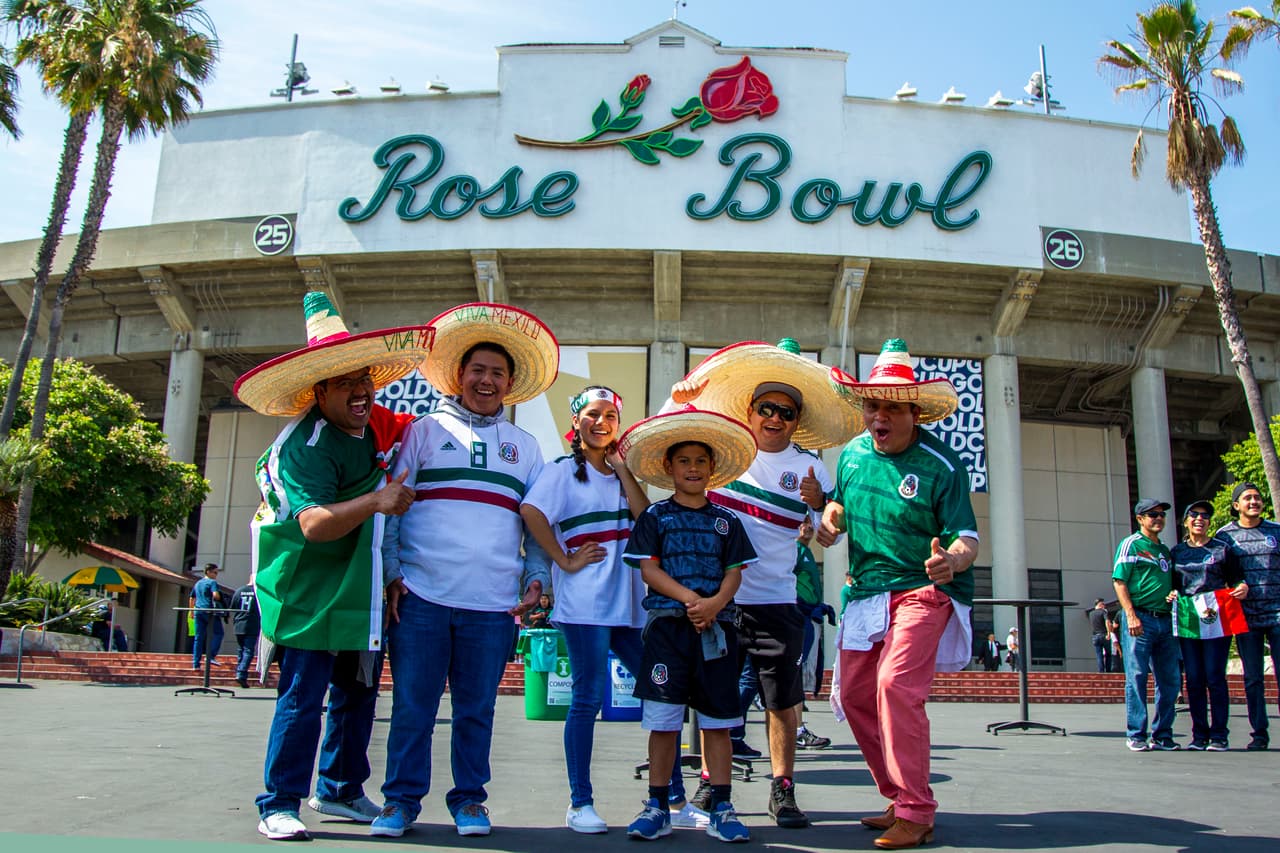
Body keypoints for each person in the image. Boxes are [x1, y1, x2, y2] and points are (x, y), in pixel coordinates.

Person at [233, 291, 429, 841]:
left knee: (359, 691)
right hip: (308, 588)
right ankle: (278, 801)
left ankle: (340, 788)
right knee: (302, 697)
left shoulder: (374, 430)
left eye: (364, 378)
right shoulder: (306, 444)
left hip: (360, 586)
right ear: (319, 390)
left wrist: (390, 571)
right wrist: (376, 501)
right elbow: (314, 524)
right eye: (345, 382)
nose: (361, 390)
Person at [374, 303, 558, 839]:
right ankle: (400, 802)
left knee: (476, 711)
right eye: (477, 370)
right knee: (413, 707)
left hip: (493, 604)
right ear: (460, 376)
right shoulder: (425, 432)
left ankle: (469, 801)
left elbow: (535, 527)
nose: (486, 379)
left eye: (498, 373)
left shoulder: (526, 449)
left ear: (510, 383)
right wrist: (391, 573)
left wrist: (537, 577)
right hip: (422, 597)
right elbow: (392, 506)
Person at [670, 337, 858, 828]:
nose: (775, 418)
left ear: (797, 421)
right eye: (766, 408)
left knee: (781, 702)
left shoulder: (812, 468)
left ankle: (783, 789)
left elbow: (828, 535)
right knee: (717, 698)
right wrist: (681, 395)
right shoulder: (725, 453)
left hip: (777, 601)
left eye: (786, 412)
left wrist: (821, 509)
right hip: (720, 602)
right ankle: (713, 784)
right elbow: (669, 436)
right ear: (750, 411)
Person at [819, 338, 978, 851]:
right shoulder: (852, 456)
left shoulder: (942, 463)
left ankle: (916, 810)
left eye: (891, 406)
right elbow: (839, 510)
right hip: (865, 592)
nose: (879, 415)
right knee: (855, 695)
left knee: (894, 687)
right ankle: (896, 795)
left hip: (922, 590)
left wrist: (951, 560)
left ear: (914, 412)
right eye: (872, 404)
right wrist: (828, 523)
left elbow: (967, 538)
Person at [521, 384, 696, 833]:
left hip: (630, 605)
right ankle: (580, 803)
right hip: (586, 605)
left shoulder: (621, 473)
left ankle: (672, 798)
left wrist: (622, 470)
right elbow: (532, 512)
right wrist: (563, 560)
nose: (601, 423)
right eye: (592, 415)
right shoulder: (562, 471)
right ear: (576, 423)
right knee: (586, 699)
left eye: (610, 416)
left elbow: (645, 519)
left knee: (662, 694)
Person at [618, 406, 759, 843]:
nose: (693, 468)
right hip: (667, 632)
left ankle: (722, 805)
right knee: (663, 722)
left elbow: (735, 571)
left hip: (716, 631)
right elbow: (649, 570)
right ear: (669, 468)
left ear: (712, 469)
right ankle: (657, 805)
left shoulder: (727, 521)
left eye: (701, 461)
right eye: (684, 461)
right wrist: (691, 600)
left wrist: (715, 603)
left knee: (717, 722)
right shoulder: (656, 518)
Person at [1171, 498, 1247, 750]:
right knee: (1193, 678)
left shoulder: (1222, 549)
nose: (1199, 519)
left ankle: (1219, 735)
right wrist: (1171, 593)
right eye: (1194, 515)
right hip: (1188, 619)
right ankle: (1199, 734)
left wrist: (1242, 587)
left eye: (1204, 515)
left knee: (1215, 676)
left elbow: (1237, 579)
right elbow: (1172, 584)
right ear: (1186, 521)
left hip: (1216, 618)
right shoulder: (1177, 552)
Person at [1215, 482, 1280, 751]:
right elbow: (1218, 573)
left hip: (1277, 615)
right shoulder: (1224, 536)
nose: (1254, 501)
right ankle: (1259, 734)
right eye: (1247, 498)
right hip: (1245, 618)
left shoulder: (1276, 531)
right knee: (1253, 678)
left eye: (1257, 497)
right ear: (1236, 505)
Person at [1112, 498, 1180, 752]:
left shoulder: (1164, 550)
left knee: (1170, 680)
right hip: (1141, 619)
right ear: (1140, 519)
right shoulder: (1130, 544)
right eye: (1152, 515)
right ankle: (1136, 734)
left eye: (1161, 514)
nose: (1158, 518)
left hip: (1164, 620)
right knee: (1137, 676)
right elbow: (1119, 581)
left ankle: (1163, 734)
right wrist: (1130, 615)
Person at [793, 518, 833, 750]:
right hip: (797, 617)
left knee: (795, 674)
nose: (807, 527)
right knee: (791, 673)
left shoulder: (805, 551)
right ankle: (795, 730)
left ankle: (797, 729)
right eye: (802, 523)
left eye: (809, 523)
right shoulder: (793, 550)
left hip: (807, 617)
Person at [190, 563, 225, 670]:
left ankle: (196, 663)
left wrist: (191, 611)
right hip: (209, 611)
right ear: (208, 572)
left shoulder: (198, 583)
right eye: (215, 572)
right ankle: (211, 655)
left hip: (198, 611)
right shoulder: (212, 582)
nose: (216, 575)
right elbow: (215, 595)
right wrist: (219, 597)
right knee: (218, 633)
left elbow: (192, 598)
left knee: (199, 637)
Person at [230, 581, 261, 689]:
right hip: (252, 624)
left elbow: (233, 607)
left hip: (239, 623)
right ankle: (241, 673)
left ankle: (240, 674)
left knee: (241, 650)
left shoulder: (239, 591)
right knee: (248, 651)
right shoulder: (258, 592)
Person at [1088, 599, 1111, 674]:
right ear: (1100, 604)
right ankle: (1108, 671)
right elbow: (1107, 622)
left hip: (1095, 636)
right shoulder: (1103, 612)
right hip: (1103, 634)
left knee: (1099, 654)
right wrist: (1109, 633)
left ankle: (1101, 671)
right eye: (1103, 604)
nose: (1104, 606)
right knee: (1108, 653)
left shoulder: (1091, 613)